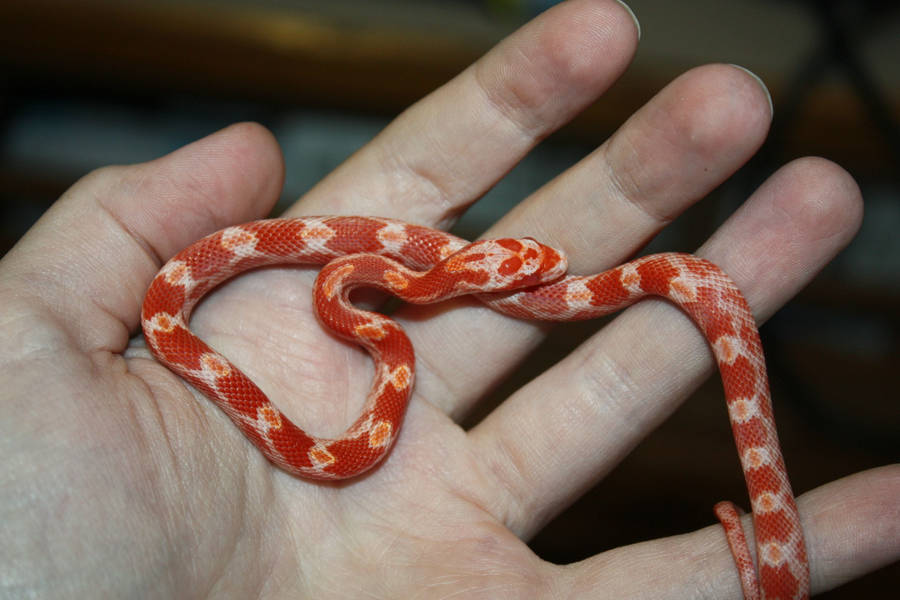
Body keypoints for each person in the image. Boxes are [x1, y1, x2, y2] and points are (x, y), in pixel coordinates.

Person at [1, 1, 896, 597]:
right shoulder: (372, 326)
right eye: (516, 267)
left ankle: (770, 541)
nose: (537, 267)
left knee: (694, 277)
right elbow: (171, 321)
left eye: (514, 266)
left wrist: (490, 275)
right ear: (472, 275)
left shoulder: (403, 286)